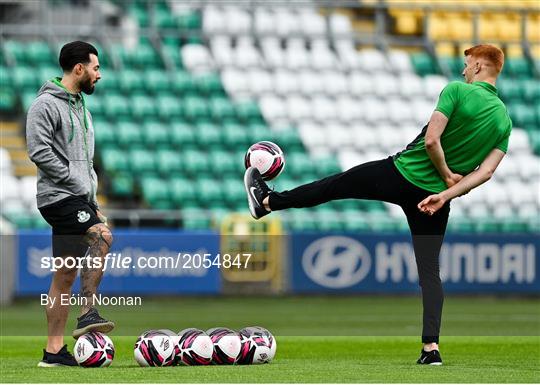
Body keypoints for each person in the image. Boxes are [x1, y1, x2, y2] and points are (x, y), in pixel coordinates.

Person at [244, 44, 512, 365]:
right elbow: (487, 172)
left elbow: (431, 141)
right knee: (430, 273)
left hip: (399, 174)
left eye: (467, 64)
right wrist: (445, 193)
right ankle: (431, 349)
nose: (463, 70)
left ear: (481, 67)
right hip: (433, 201)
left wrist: (443, 172)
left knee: (335, 185)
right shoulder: (503, 122)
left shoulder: (456, 91)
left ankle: (268, 201)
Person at [26, 41, 115, 367]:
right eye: (96, 67)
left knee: (63, 276)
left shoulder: (82, 108)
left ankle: (53, 352)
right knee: (102, 236)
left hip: (78, 198)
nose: (99, 75)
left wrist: (91, 199)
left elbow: (86, 164)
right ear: (79, 68)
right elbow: (39, 151)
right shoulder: (44, 105)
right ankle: (88, 312)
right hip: (58, 197)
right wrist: (76, 184)